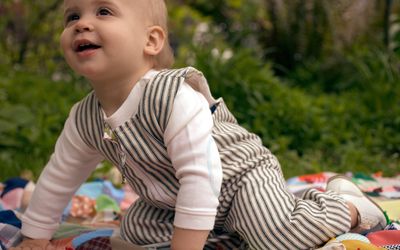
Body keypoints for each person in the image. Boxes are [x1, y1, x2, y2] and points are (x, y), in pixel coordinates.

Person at [11, 0, 388, 249]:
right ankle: (261, 219)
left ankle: (347, 204)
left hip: (238, 180)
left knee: (276, 237)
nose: (82, 24)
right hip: (172, 202)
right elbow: (58, 179)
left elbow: (200, 177)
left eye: (103, 12)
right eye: (72, 16)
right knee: (130, 237)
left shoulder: (173, 96)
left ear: (151, 40)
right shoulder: (85, 117)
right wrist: (34, 237)